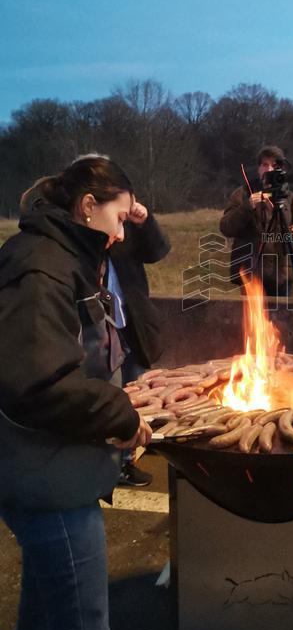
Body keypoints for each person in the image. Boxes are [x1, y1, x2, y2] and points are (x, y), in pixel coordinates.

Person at [0, 156, 152, 630]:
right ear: (88, 205)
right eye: (118, 217)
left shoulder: (66, 252)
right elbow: (37, 381)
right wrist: (120, 416)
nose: (122, 234)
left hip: (46, 469)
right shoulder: (43, 264)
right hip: (48, 479)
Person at [106, 193, 171, 487]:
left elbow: (158, 251)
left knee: (135, 391)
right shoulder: (82, 236)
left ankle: (127, 460)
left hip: (130, 321)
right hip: (102, 328)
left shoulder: (127, 225)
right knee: (111, 394)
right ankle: (110, 466)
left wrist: (145, 222)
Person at [219, 144, 293, 296]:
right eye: (265, 165)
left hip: (282, 272)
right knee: (254, 319)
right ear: (258, 168)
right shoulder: (244, 193)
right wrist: (247, 206)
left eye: (274, 165)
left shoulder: (289, 197)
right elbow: (226, 227)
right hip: (251, 272)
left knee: (281, 318)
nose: (269, 169)